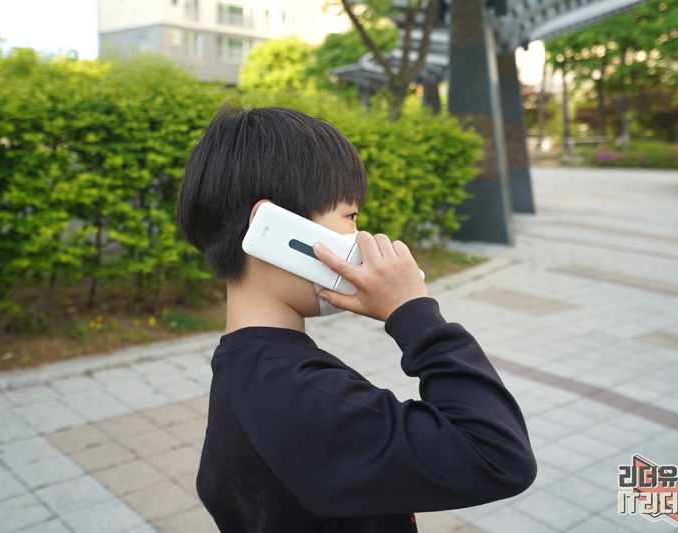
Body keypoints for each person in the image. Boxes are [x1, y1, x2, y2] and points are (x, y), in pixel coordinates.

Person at [176, 102, 536, 532]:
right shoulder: (298, 395)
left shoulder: (246, 370)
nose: (359, 237)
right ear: (273, 228)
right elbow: (498, 453)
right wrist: (413, 312)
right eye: (349, 217)